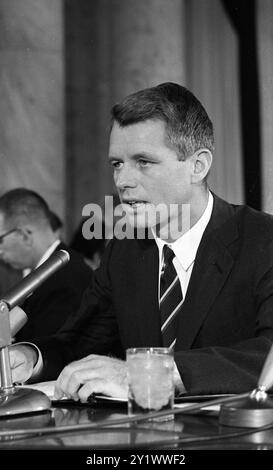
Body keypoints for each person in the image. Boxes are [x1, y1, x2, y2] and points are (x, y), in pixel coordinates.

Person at [7, 83, 273, 399]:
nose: (123, 181)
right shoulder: (124, 250)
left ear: (198, 166)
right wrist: (30, 358)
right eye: (117, 164)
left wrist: (152, 373)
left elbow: (268, 353)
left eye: (143, 162)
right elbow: (82, 342)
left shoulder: (263, 240)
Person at [0, 188, 93, 343]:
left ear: (24, 235)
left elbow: (51, 350)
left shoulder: (66, 279)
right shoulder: (41, 273)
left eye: (0, 240)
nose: (0, 251)